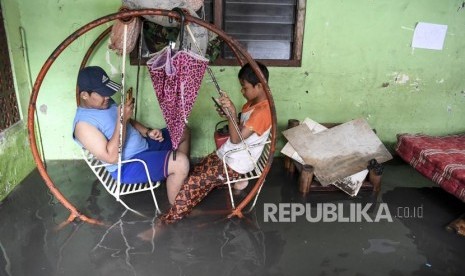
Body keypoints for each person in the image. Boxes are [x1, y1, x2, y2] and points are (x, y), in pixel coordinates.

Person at [160, 61, 271, 223]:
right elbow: (239, 130)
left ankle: (168, 219)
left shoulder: (263, 112)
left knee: (194, 182)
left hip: (237, 162)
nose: (242, 91)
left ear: (259, 86)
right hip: (231, 154)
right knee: (198, 170)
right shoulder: (253, 104)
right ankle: (188, 199)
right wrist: (228, 114)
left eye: (245, 87)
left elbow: (235, 138)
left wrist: (232, 113)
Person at [72, 66, 190, 205]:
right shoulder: (83, 126)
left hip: (145, 145)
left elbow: (128, 122)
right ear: (84, 95)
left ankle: (179, 180)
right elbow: (112, 157)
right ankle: (177, 209)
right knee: (180, 162)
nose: (107, 97)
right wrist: (122, 120)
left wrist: (147, 131)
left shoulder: (105, 104)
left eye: (107, 92)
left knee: (182, 131)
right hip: (128, 165)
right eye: (102, 94)